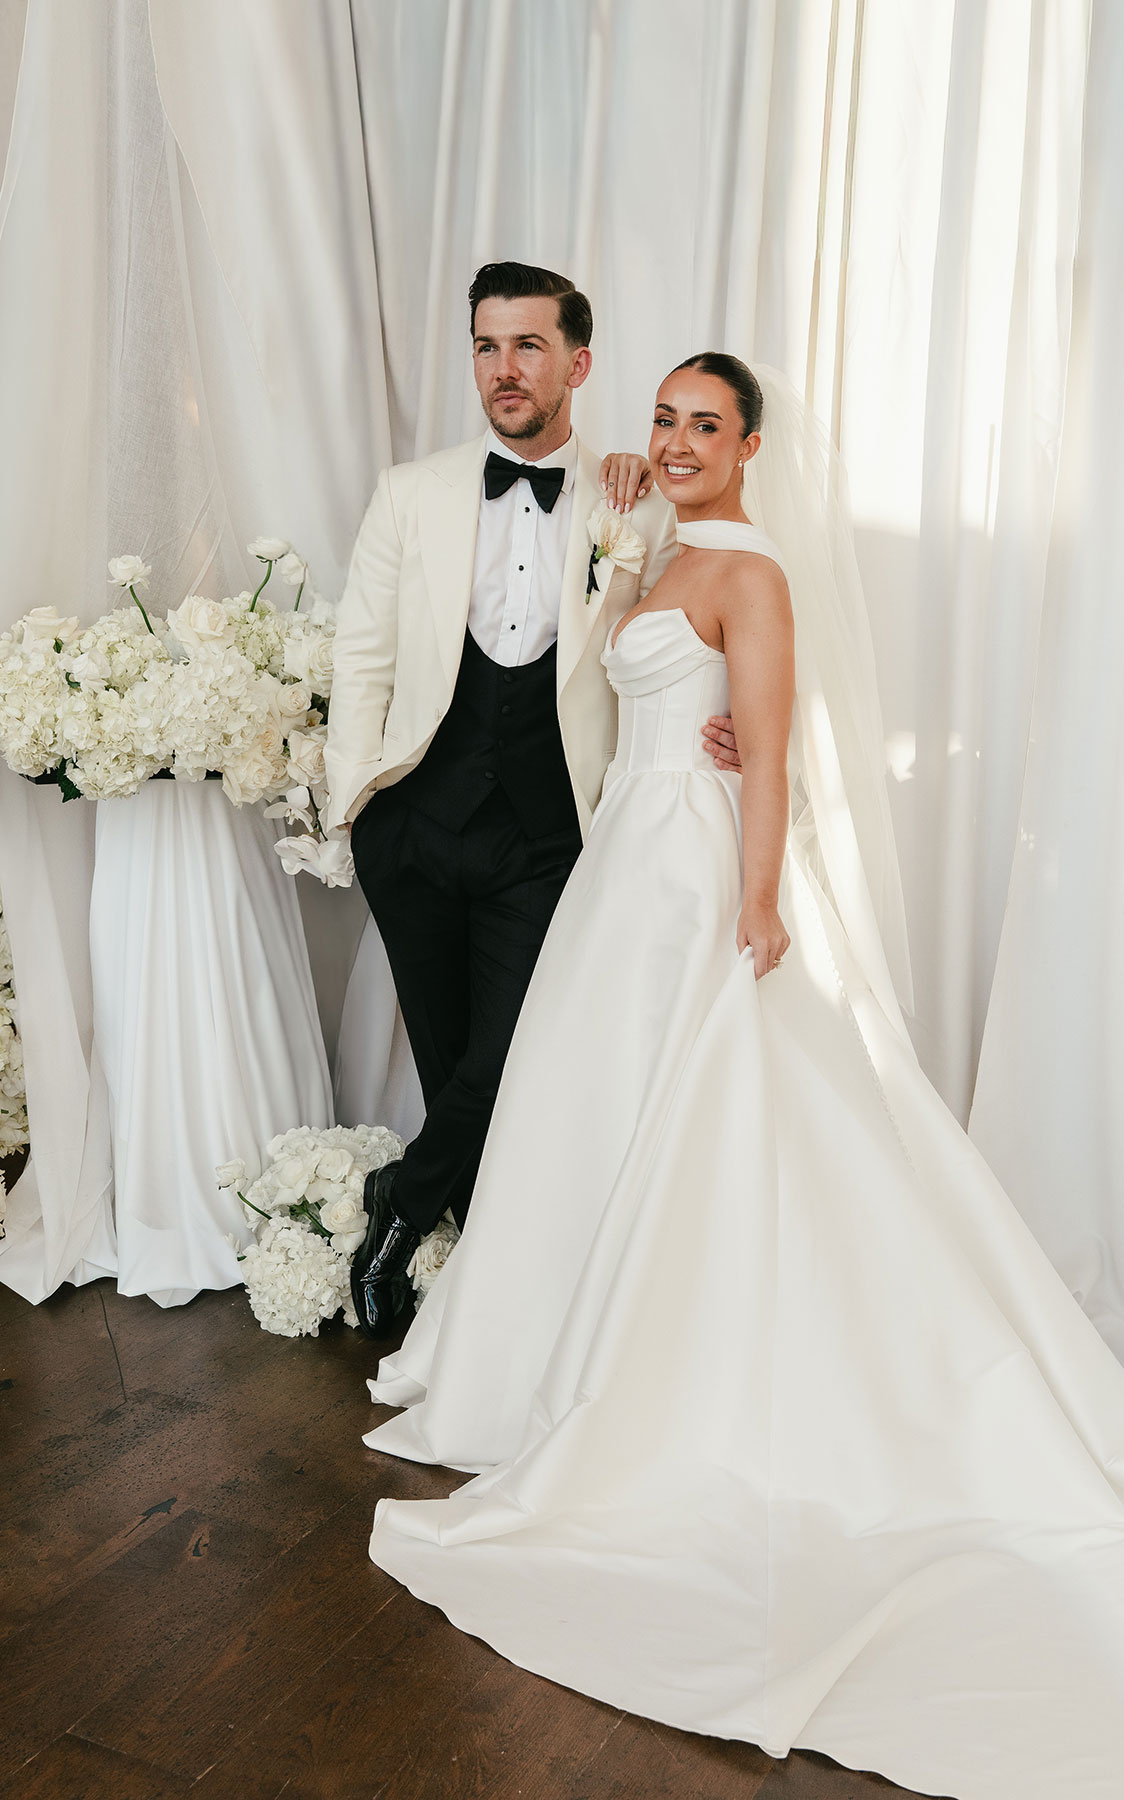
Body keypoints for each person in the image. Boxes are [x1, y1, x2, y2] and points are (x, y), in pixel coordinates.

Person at [362, 355, 1124, 1799]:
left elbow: (771, 761)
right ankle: (545, 1356)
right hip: (625, 856)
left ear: (753, 445)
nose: (679, 442)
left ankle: (670, 1372)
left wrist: (757, 901)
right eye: (665, 420)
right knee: (592, 1115)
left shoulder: (752, 573)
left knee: (705, 1117)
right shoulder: (661, 542)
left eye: (708, 425)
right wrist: (626, 525)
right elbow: (621, 658)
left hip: (691, 873)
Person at [325, 262, 742, 1339]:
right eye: (484, 346)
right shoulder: (408, 492)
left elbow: (697, 625)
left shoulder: (634, 503)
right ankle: (478, 1274)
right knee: (449, 1055)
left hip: (550, 835)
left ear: (577, 362)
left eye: (526, 347)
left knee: (511, 1055)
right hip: (413, 824)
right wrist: (356, 817)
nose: (503, 371)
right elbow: (361, 664)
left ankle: (399, 1207)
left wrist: (731, 723)